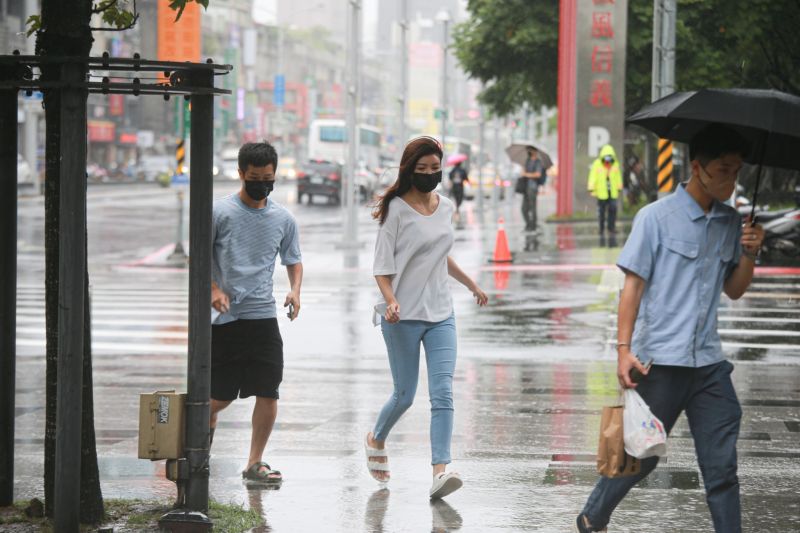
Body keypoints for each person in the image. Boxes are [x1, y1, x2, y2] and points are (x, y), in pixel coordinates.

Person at [575, 124, 765, 533]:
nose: (732, 180)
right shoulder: (656, 218)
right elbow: (633, 287)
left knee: (721, 468)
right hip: (659, 361)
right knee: (641, 456)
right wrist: (623, 350)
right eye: (724, 170)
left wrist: (750, 254)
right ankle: (594, 515)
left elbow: (733, 290)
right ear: (698, 167)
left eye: (737, 171)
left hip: (709, 365)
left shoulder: (732, 223)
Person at [365, 136, 488, 499]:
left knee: (443, 392)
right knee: (405, 394)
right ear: (409, 170)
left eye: (436, 169)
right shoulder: (396, 211)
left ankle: (440, 471)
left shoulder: (446, 206)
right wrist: (390, 301)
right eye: (423, 170)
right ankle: (376, 438)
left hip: (440, 314)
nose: (430, 175)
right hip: (402, 316)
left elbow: (439, 255)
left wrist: (471, 284)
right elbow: (381, 269)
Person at [208, 141, 303, 486]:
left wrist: (295, 290)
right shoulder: (220, 212)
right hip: (225, 320)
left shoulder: (283, 218)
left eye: (267, 178)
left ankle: (255, 462)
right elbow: (198, 257)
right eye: (254, 178)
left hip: (263, 317)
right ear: (241, 174)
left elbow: (293, 260)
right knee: (218, 398)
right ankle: (194, 444)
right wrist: (214, 290)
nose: (262, 184)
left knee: (268, 390)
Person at [587, 145, 623, 236]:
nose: (607, 161)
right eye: (606, 159)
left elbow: (618, 177)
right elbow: (592, 177)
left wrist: (619, 188)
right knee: (601, 212)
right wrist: (591, 188)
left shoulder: (615, 164)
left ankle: (611, 228)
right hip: (601, 193)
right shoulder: (597, 164)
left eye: (609, 159)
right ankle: (601, 229)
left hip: (612, 193)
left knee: (613, 211)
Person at [520, 147, 544, 232]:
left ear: (535, 151)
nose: (528, 152)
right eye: (528, 150)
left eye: (530, 150)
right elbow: (523, 172)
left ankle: (533, 226)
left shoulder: (538, 162)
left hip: (533, 187)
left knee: (532, 208)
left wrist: (526, 174)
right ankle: (528, 224)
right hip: (526, 187)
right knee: (523, 209)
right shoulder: (527, 161)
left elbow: (538, 174)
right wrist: (523, 170)